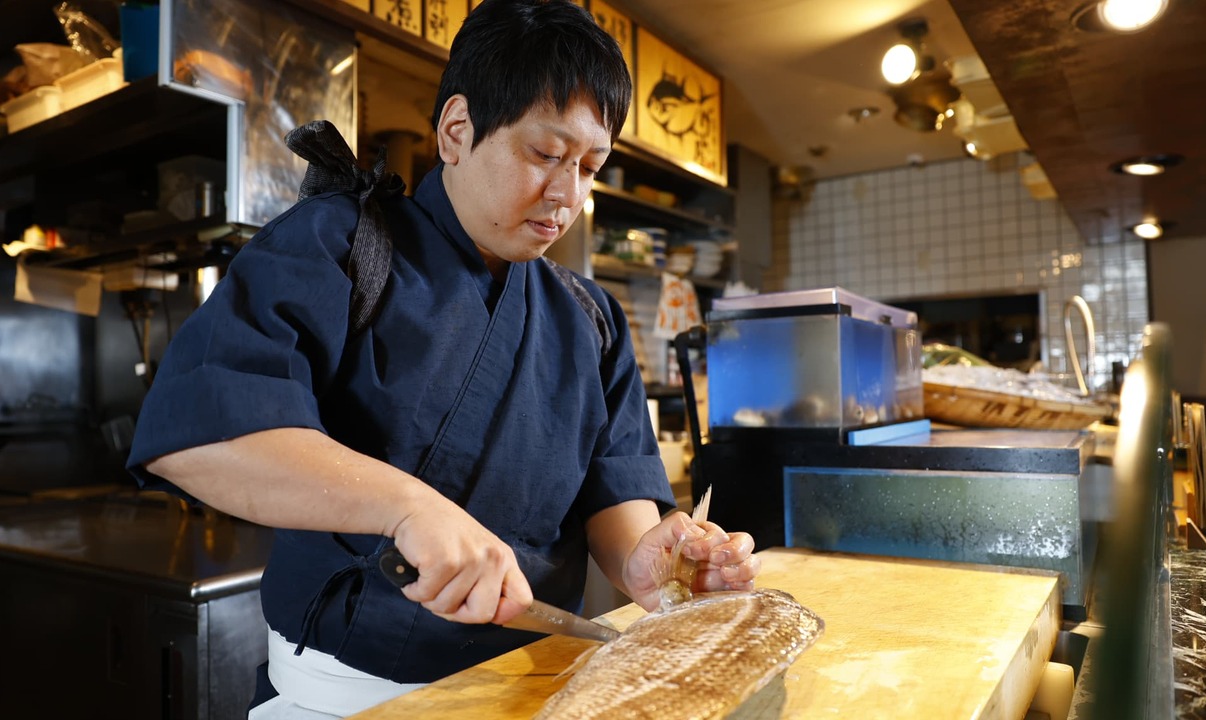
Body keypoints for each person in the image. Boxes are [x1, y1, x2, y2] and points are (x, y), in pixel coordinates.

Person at [127, 1, 762, 717]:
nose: (569, 195)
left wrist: (650, 563)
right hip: (344, 699)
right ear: (457, 130)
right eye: (547, 155)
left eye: (590, 166)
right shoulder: (337, 245)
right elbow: (198, 436)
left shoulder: (594, 320)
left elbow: (617, 502)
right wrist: (405, 507)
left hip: (537, 689)